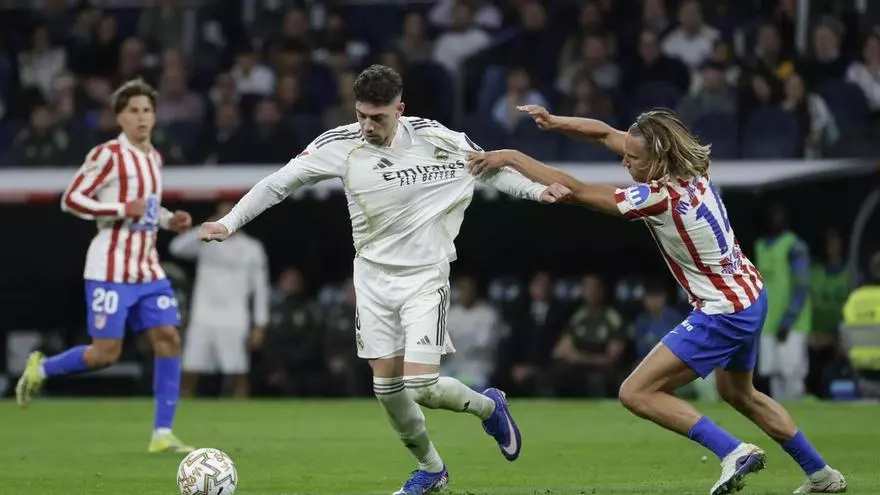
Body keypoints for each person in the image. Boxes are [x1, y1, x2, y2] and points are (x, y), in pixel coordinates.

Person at [197, 64, 569, 494]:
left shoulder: (436, 138)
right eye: (361, 116)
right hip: (372, 280)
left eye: (378, 117)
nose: (368, 126)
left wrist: (538, 191)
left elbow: (493, 170)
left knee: (422, 387)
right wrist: (229, 222)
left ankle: (489, 407)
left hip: (425, 277)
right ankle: (432, 471)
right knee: (387, 389)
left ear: (400, 109)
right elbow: (279, 183)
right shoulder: (340, 145)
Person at [467, 106, 846, 495]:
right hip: (749, 294)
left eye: (634, 160)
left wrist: (511, 156)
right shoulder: (694, 169)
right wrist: (555, 122)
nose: (627, 164)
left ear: (659, 158)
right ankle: (821, 475)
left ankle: (733, 451)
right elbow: (603, 134)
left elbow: (575, 191)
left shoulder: (660, 197)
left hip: (723, 311)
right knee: (739, 393)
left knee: (636, 392)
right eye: (627, 156)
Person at [16, 78, 195, 454]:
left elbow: (144, 207)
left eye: (147, 110)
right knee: (105, 353)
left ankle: (162, 433)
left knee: (169, 339)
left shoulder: (154, 157)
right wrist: (117, 209)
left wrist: (167, 220)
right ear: (119, 117)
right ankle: (42, 368)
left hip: (147, 267)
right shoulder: (108, 155)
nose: (142, 117)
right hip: (109, 268)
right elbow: (72, 199)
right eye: (134, 111)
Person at [169, 201, 270, 398]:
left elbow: (261, 289)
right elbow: (176, 248)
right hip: (203, 316)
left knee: (238, 372)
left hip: (235, 317)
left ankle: (241, 420)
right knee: (190, 369)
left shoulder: (252, 248)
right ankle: (181, 416)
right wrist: (204, 228)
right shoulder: (206, 242)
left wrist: (260, 324)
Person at [755, 203, 812, 401]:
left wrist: (788, 320)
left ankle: (799, 421)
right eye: (772, 215)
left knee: (792, 376)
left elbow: (801, 286)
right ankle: (782, 423)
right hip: (768, 322)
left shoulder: (794, 246)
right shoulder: (760, 246)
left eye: (779, 215)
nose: (775, 220)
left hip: (792, 325)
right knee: (774, 376)